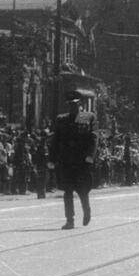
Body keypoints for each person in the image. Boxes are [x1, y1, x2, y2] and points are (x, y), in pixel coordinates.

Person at [52, 91, 97, 229]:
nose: (73, 106)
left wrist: (91, 155)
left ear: (80, 104)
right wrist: (52, 158)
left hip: (82, 161)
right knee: (68, 191)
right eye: (70, 104)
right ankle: (69, 220)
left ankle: (86, 210)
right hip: (66, 161)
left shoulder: (89, 117)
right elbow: (56, 140)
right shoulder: (61, 119)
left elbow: (94, 138)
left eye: (75, 104)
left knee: (83, 190)